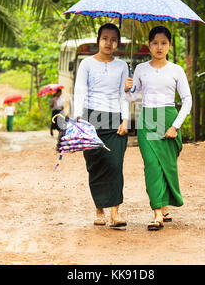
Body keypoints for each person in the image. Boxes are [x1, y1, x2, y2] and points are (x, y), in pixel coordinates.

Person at [125, 26, 192, 231]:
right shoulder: (140, 69)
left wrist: (175, 126)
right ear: (149, 45)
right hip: (147, 118)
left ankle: (163, 206)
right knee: (152, 165)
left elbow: (187, 100)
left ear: (170, 45)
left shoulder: (176, 70)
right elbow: (132, 98)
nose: (159, 47)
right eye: (155, 43)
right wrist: (127, 88)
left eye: (164, 43)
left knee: (167, 166)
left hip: (169, 118)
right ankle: (156, 213)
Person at [74, 23, 129, 228]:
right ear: (98, 40)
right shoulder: (86, 64)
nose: (109, 42)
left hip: (115, 119)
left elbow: (124, 95)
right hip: (91, 118)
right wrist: (79, 120)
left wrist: (125, 119)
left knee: (115, 165)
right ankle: (99, 210)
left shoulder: (122, 66)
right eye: (105, 38)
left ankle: (115, 213)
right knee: (95, 165)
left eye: (113, 39)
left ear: (118, 43)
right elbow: (80, 91)